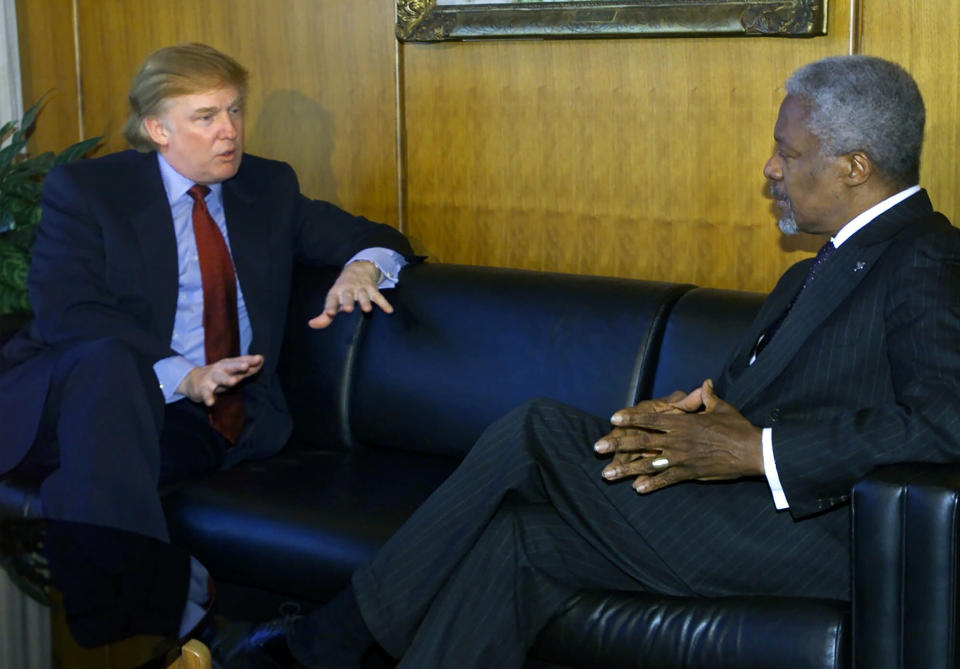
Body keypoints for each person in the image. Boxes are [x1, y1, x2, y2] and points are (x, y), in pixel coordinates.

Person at [234, 55, 960, 668]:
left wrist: (755, 448)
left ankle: (326, 641)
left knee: (533, 430)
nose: (771, 167)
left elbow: (945, 423)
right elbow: (755, 397)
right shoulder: (814, 271)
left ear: (856, 166)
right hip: (742, 511)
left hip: (820, 536)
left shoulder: (926, 256)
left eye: (790, 152)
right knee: (518, 540)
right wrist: (687, 416)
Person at [0, 43, 416, 638]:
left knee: (93, 471)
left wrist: (362, 269)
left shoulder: (266, 188)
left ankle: (131, 630)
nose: (229, 132)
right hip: (78, 390)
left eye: (235, 111)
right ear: (157, 129)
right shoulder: (90, 191)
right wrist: (181, 372)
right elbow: (68, 311)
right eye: (206, 117)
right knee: (110, 369)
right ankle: (160, 623)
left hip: (199, 419)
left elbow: (377, 235)